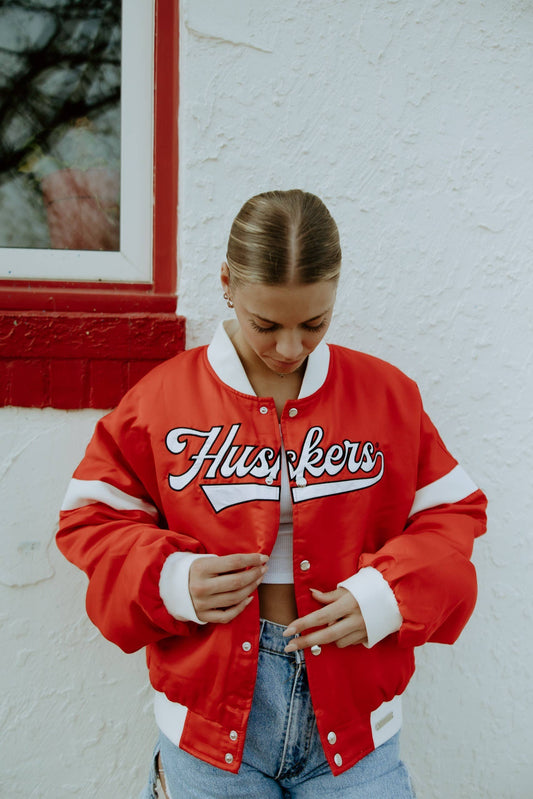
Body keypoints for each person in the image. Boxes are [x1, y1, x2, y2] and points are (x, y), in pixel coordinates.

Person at [57, 189, 487, 798]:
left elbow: (453, 516)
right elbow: (89, 521)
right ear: (227, 283)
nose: (289, 348)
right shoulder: (162, 400)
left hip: (356, 719)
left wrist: (386, 593)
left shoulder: (387, 396)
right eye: (267, 325)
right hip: (210, 719)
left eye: (314, 323)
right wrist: (173, 578)